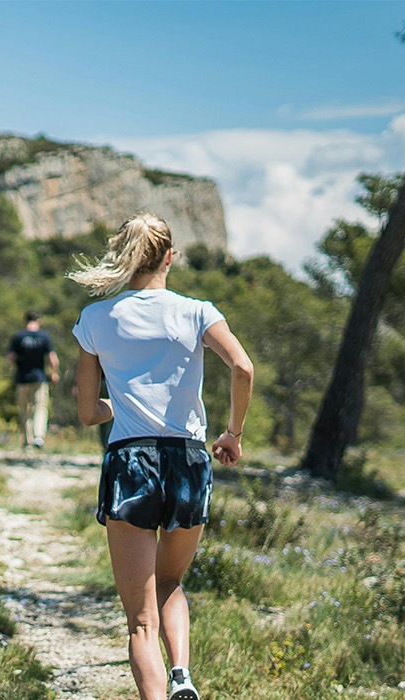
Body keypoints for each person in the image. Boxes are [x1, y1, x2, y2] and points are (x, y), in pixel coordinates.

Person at [67, 213, 254, 700]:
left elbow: (88, 413)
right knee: (171, 580)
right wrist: (232, 433)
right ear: (171, 257)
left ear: (121, 258)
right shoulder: (197, 312)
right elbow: (242, 368)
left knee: (139, 622)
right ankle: (182, 676)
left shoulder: (94, 320)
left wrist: (119, 402)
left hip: (131, 462)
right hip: (189, 461)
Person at [7, 311, 60, 449]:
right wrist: (53, 373)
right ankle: (38, 436)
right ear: (39, 321)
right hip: (39, 378)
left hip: (22, 378)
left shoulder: (18, 337)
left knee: (24, 410)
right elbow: (53, 360)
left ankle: (27, 441)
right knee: (40, 407)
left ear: (25, 321)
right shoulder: (44, 337)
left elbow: (11, 358)